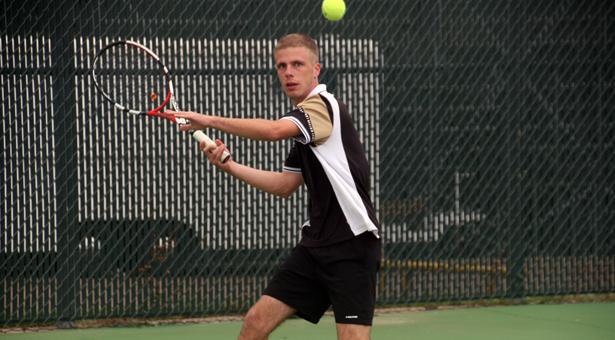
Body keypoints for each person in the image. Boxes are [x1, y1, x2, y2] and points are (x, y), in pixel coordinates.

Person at [173, 33, 381, 340]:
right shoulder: (305, 134)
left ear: (316, 69)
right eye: (282, 66)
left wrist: (209, 121)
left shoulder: (322, 107)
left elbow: (272, 131)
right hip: (315, 247)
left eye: (297, 64)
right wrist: (229, 165)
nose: (289, 72)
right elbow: (285, 185)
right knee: (256, 322)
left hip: (352, 246)